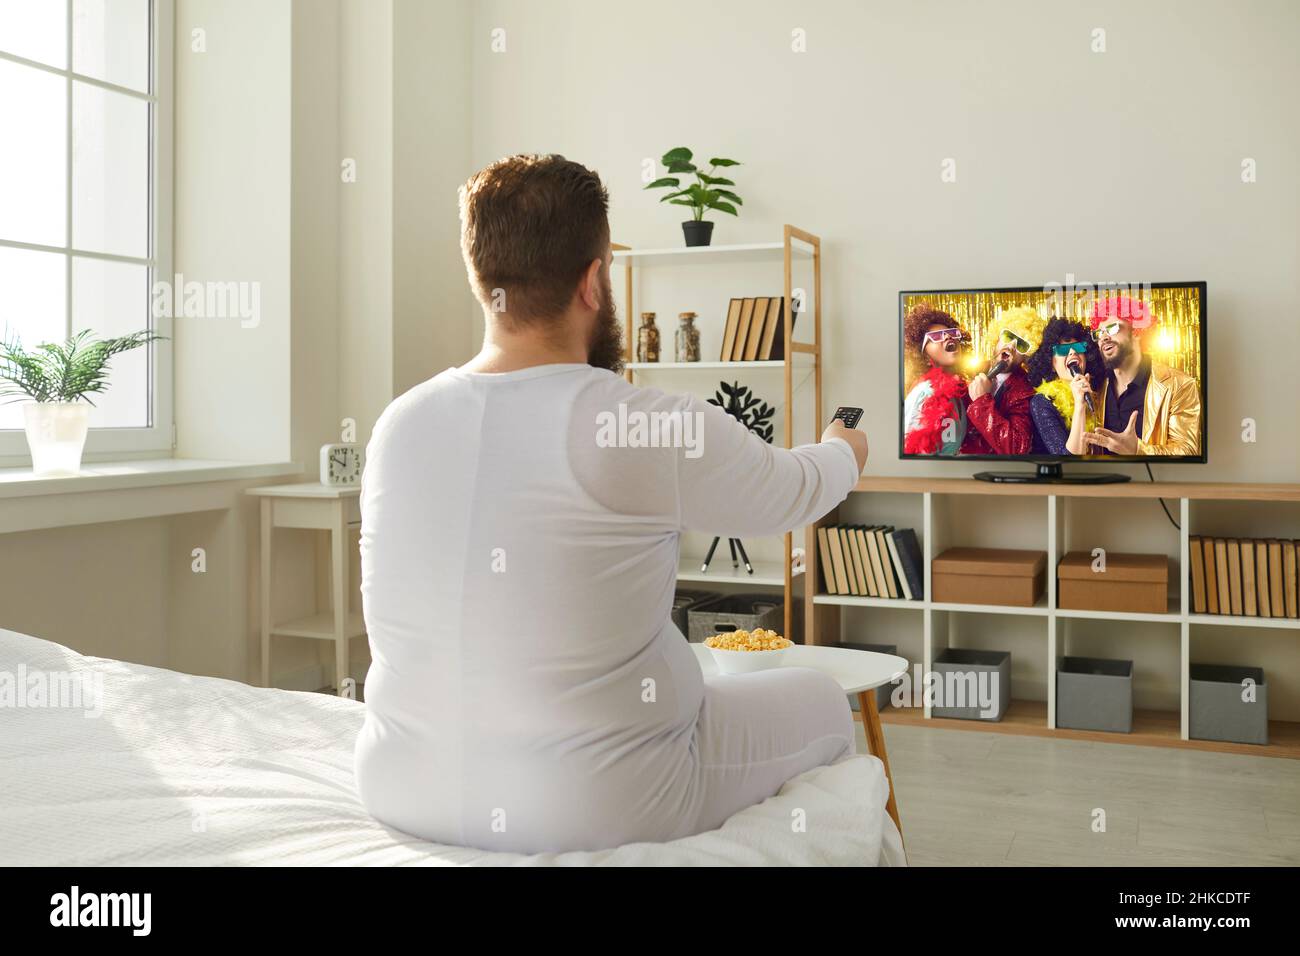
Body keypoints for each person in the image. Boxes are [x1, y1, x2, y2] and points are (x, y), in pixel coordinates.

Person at [353, 154, 870, 854]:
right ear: (595, 282)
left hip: (399, 786)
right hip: (604, 800)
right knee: (820, 700)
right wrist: (844, 449)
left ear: (482, 279)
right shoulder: (640, 424)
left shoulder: (398, 425)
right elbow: (790, 493)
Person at [1082, 296, 1202, 456]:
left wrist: (1137, 450)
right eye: (1099, 333)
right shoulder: (1095, 387)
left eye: (1111, 328)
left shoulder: (1180, 385)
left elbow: (1188, 450)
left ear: (1137, 331)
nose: (1104, 337)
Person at [962, 306, 1046, 456]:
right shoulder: (969, 371)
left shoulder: (1025, 392)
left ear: (1027, 356)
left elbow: (1017, 447)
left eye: (1021, 345)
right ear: (997, 338)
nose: (1011, 346)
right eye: (1008, 336)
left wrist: (981, 402)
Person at [1025, 317, 1105, 456]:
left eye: (1078, 347)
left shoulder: (1099, 392)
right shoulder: (1042, 402)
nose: (1072, 352)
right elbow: (1068, 461)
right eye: (1063, 350)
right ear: (1051, 363)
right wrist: (1080, 405)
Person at [902, 304, 970, 455]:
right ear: (925, 356)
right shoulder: (925, 393)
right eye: (936, 336)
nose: (948, 336)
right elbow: (911, 451)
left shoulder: (957, 393)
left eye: (951, 332)